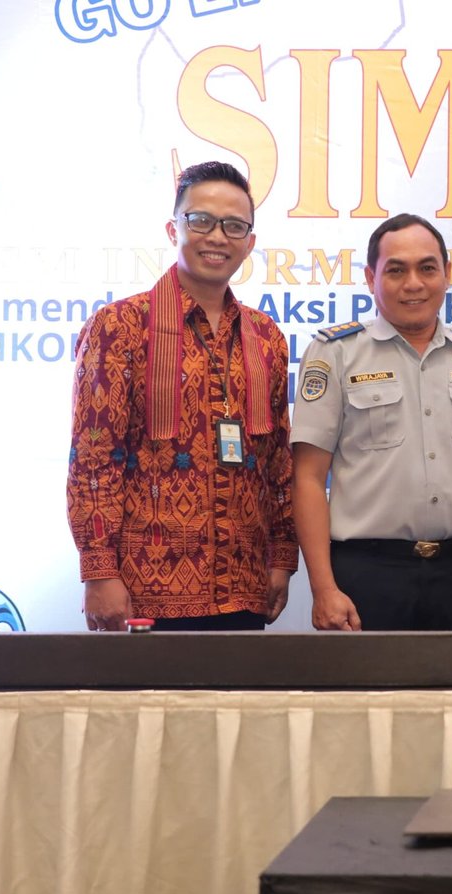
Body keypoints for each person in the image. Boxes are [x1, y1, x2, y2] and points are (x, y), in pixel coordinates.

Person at [67, 161, 297, 631]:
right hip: (143, 594)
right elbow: (93, 460)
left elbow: (277, 461)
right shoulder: (120, 326)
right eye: (201, 220)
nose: (218, 237)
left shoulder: (266, 336)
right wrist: (99, 572)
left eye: (234, 226)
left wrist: (281, 558)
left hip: (243, 587)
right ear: (174, 229)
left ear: (249, 242)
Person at [291, 213, 452, 631]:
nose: (413, 283)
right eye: (396, 270)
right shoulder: (336, 353)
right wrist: (323, 588)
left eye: (427, 268)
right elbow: (307, 477)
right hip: (365, 575)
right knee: (366, 679)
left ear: (447, 274)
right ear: (371, 278)